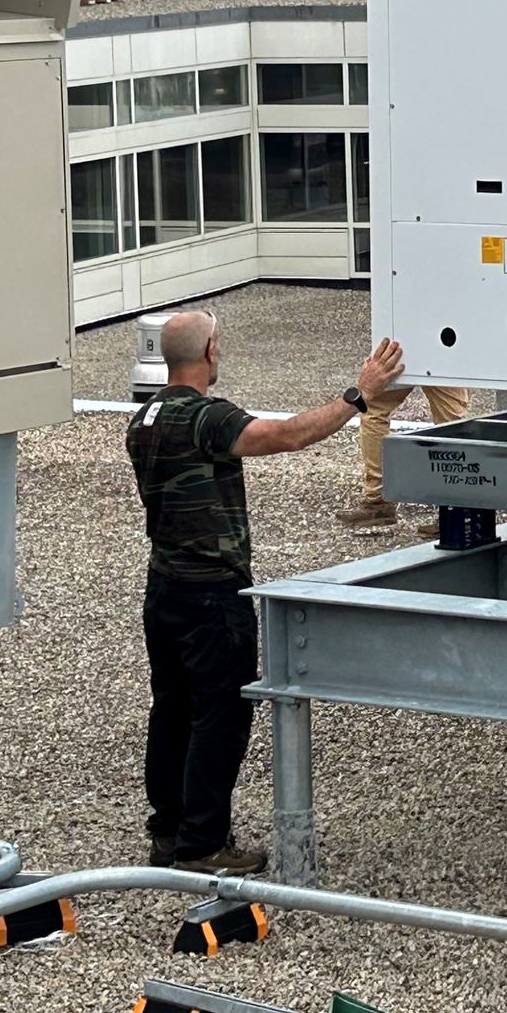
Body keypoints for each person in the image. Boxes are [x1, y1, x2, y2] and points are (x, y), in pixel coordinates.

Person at [127, 309, 404, 873]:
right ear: (208, 354)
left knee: (173, 710)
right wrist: (361, 394)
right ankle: (202, 845)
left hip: (164, 590)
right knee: (219, 716)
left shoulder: (146, 417)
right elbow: (289, 435)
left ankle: (170, 829)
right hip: (212, 593)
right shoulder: (208, 418)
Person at [338, 379, 473, 529]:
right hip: (441, 358)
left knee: (373, 410)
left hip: (406, 357)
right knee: (452, 422)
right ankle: (457, 510)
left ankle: (378, 501)